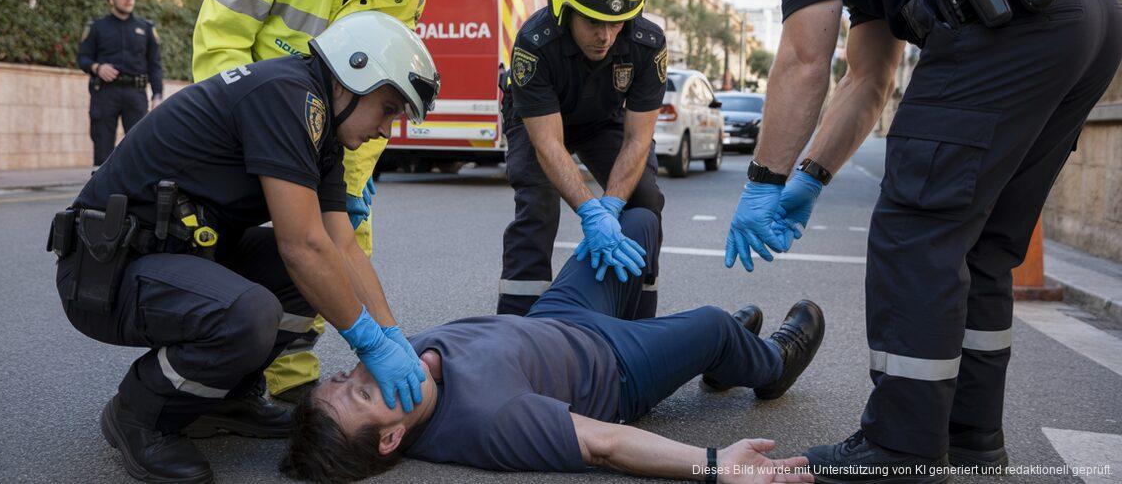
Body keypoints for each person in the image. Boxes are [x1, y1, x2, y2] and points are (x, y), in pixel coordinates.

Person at [700, 0, 1122, 483]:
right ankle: (972, 441)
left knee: (914, 231)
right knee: (979, 245)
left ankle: (900, 446)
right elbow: (868, 77)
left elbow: (804, 59)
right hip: (1083, 11)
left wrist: (762, 182)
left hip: (1011, 22)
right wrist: (811, 175)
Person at [49, 12, 441, 484]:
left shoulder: (321, 128)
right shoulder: (286, 96)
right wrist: (368, 341)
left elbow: (340, 246)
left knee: (312, 277)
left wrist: (391, 334)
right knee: (252, 309)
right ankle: (140, 413)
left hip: (174, 257)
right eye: (389, 108)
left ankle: (226, 396)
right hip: (108, 270)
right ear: (357, 74)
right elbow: (302, 245)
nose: (387, 129)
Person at [280, 207, 825, 483]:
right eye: (363, 396)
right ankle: (769, 365)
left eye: (343, 378)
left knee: (632, 224)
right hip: (616, 367)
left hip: (559, 316)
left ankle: (709, 356)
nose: (360, 374)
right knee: (711, 324)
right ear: (390, 440)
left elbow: (335, 256)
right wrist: (714, 464)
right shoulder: (489, 421)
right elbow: (603, 443)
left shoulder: (399, 370)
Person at [191, 0, 449, 400]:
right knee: (260, 256)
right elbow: (219, 54)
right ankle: (217, 385)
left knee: (338, 251)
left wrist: (349, 184)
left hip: (327, 149)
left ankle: (287, 383)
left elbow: (382, 92)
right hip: (247, 140)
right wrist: (262, 161)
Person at [498, 0, 668, 317]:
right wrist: (591, 212)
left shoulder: (647, 43)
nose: (606, 36)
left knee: (644, 199)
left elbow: (638, 138)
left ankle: (635, 317)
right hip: (538, 122)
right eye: (593, 22)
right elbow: (548, 145)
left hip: (601, 119)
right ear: (564, 9)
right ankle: (515, 323)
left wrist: (610, 205)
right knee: (538, 208)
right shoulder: (534, 43)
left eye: (616, 23)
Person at [76, 0, 163, 167]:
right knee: (102, 147)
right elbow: (83, 59)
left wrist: (157, 95)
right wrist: (97, 68)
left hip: (136, 94)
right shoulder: (97, 27)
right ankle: (100, 193)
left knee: (139, 145)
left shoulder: (146, 28)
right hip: (105, 93)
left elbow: (155, 64)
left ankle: (136, 193)